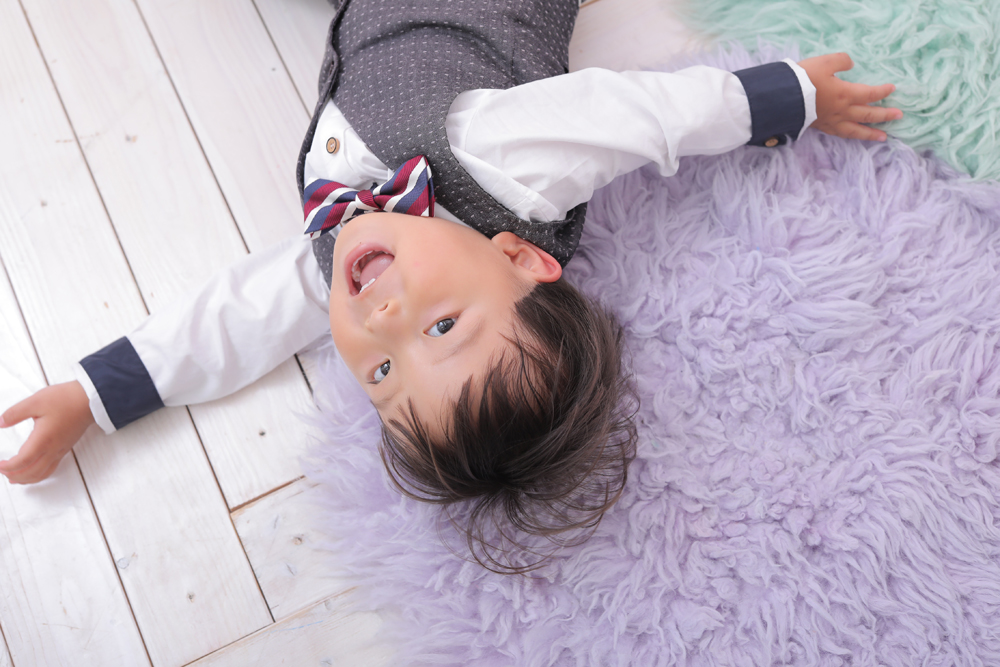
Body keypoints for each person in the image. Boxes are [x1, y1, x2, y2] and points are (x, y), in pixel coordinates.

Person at [0, 0, 900, 569]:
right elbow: (638, 116)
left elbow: (237, 319)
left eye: (382, 374)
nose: (384, 318)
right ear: (520, 259)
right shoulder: (509, 159)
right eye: (440, 329)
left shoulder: (346, 262)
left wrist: (93, 395)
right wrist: (785, 99)